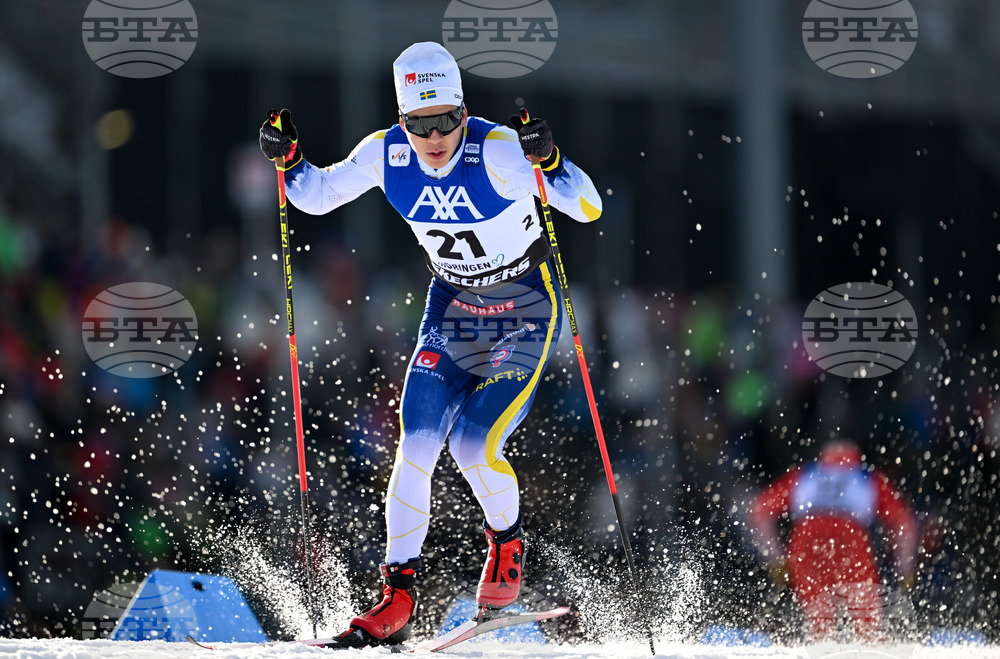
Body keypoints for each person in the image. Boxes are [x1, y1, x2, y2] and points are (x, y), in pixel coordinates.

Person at [258, 41, 602, 647]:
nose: (434, 137)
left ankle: (506, 542)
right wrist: (291, 161)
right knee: (414, 444)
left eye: (445, 120)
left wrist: (550, 160)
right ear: (403, 121)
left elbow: (588, 206)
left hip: (523, 310)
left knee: (473, 445)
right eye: (419, 124)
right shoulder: (386, 153)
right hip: (452, 310)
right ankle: (397, 596)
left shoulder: (498, 151)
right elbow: (315, 195)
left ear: (463, 111)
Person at [746, 439, 919, 641]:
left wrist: (775, 557)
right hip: (850, 538)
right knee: (866, 617)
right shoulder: (867, 477)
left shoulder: (806, 474)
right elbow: (904, 524)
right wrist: (905, 568)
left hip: (807, 538)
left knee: (819, 617)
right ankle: (870, 641)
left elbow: (759, 511)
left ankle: (820, 641)